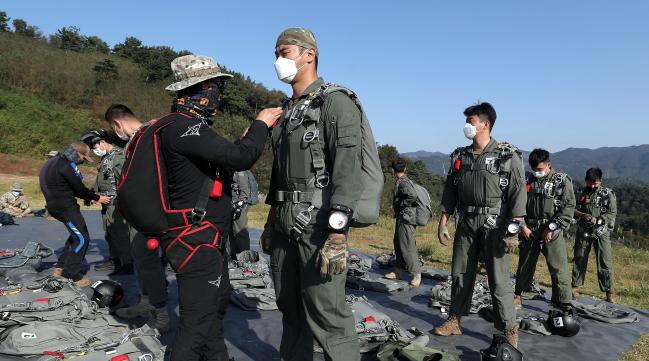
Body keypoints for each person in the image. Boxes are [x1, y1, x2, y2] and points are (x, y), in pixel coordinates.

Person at [132, 55, 279, 361]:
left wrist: (243, 141)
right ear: (197, 90)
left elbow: (221, 160)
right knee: (197, 322)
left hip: (201, 237)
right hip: (194, 239)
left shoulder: (179, 127)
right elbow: (241, 159)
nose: (219, 95)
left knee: (215, 306)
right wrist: (261, 125)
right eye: (214, 87)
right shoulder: (186, 128)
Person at [259, 27, 363, 361]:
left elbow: (349, 170)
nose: (278, 60)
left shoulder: (336, 103)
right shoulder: (287, 111)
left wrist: (337, 233)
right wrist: (271, 221)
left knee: (328, 315)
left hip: (318, 225)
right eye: (275, 53)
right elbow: (280, 172)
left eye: (284, 52)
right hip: (284, 225)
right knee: (290, 309)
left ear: (309, 54)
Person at [433, 102, 526, 348]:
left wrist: (514, 228)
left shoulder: (507, 156)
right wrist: (443, 220)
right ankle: (454, 320)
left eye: (471, 121)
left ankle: (509, 329)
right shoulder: (460, 156)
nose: (467, 126)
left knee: (499, 279)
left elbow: (517, 193)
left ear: (485, 124)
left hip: (495, 224)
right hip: (466, 223)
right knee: (460, 273)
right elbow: (450, 191)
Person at [103, 104, 171, 333]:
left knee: (149, 261)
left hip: (152, 212)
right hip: (138, 213)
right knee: (141, 258)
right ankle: (146, 301)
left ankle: (160, 314)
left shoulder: (151, 134)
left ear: (117, 124)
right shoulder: (137, 139)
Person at [39, 142, 112, 287]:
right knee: (82, 238)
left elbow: (66, 185)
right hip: (65, 207)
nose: (83, 161)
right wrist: (97, 198)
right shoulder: (65, 165)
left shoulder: (53, 162)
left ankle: (60, 268)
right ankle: (71, 275)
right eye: (84, 158)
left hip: (55, 205)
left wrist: (88, 196)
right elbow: (78, 188)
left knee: (75, 235)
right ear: (78, 153)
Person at [513, 149, 575, 312]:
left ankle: (563, 300)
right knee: (525, 264)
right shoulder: (527, 180)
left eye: (540, 170)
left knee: (558, 266)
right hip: (529, 229)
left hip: (552, 230)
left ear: (549, 164)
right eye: (534, 170)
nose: (537, 173)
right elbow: (517, 204)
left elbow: (568, 207)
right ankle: (517, 295)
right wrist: (523, 226)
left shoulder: (561, 181)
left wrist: (551, 228)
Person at [80, 129, 134, 275]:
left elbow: (125, 183)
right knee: (110, 232)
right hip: (106, 202)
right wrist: (92, 194)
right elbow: (102, 179)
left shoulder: (118, 158)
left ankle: (127, 263)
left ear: (103, 142)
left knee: (121, 233)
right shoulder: (106, 158)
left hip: (117, 203)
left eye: (95, 147)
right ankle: (116, 260)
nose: (94, 150)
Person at [572, 167, 618, 303]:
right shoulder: (580, 192)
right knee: (579, 258)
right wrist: (582, 215)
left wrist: (599, 219)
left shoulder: (607, 194)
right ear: (586, 181)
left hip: (601, 232)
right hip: (583, 230)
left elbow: (612, 213)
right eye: (590, 183)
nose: (592, 186)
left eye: (595, 183)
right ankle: (575, 286)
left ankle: (609, 290)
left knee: (605, 260)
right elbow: (571, 208)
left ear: (600, 181)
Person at [384, 159, 421, 287]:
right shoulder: (402, 181)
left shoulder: (404, 183)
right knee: (399, 244)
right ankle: (398, 271)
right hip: (402, 217)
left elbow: (412, 196)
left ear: (393, 170)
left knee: (407, 245)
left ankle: (416, 274)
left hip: (407, 219)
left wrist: (401, 204)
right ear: (404, 169)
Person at [229, 170, 254, 258]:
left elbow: (244, 190)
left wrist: (239, 207)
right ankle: (233, 255)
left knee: (240, 231)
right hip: (232, 205)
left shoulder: (240, 172)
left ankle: (246, 257)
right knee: (231, 231)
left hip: (239, 206)